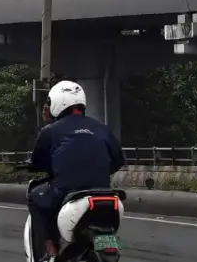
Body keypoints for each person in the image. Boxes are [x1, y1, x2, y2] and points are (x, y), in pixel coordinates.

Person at [26, 80, 125, 262]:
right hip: (107, 195)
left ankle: (49, 252)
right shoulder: (102, 129)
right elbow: (118, 160)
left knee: (34, 195)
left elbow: (39, 163)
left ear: (57, 102)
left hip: (68, 192)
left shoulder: (50, 131)